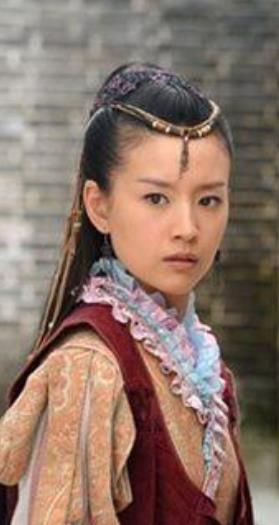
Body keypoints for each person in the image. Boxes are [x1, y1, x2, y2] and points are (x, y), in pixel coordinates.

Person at [0, 63, 254, 524]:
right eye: (157, 198)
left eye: (208, 200)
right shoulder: (88, 370)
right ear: (99, 206)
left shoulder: (202, 366)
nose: (188, 228)